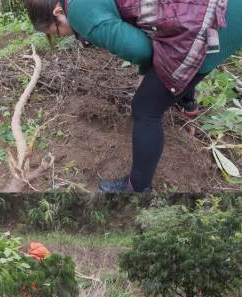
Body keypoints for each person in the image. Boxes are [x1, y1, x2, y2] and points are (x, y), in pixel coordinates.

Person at [23, 0, 242, 192]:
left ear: (58, 12)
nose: (62, 37)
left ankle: (137, 188)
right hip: (224, 10)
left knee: (145, 110)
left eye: (56, 32)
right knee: (168, 77)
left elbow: (140, 51)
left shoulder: (78, 11)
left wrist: (148, 75)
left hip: (210, 20)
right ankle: (187, 103)